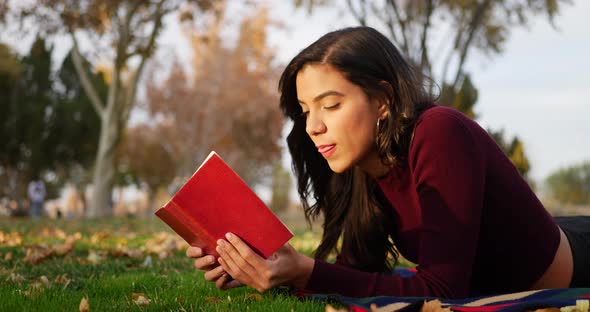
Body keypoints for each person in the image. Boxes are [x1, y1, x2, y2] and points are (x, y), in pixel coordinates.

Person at [186, 26, 590, 299]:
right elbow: (355, 275)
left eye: (331, 104)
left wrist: (307, 272)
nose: (314, 126)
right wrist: (263, 269)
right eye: (306, 110)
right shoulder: (357, 167)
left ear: (383, 100)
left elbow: (443, 291)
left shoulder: (439, 132)